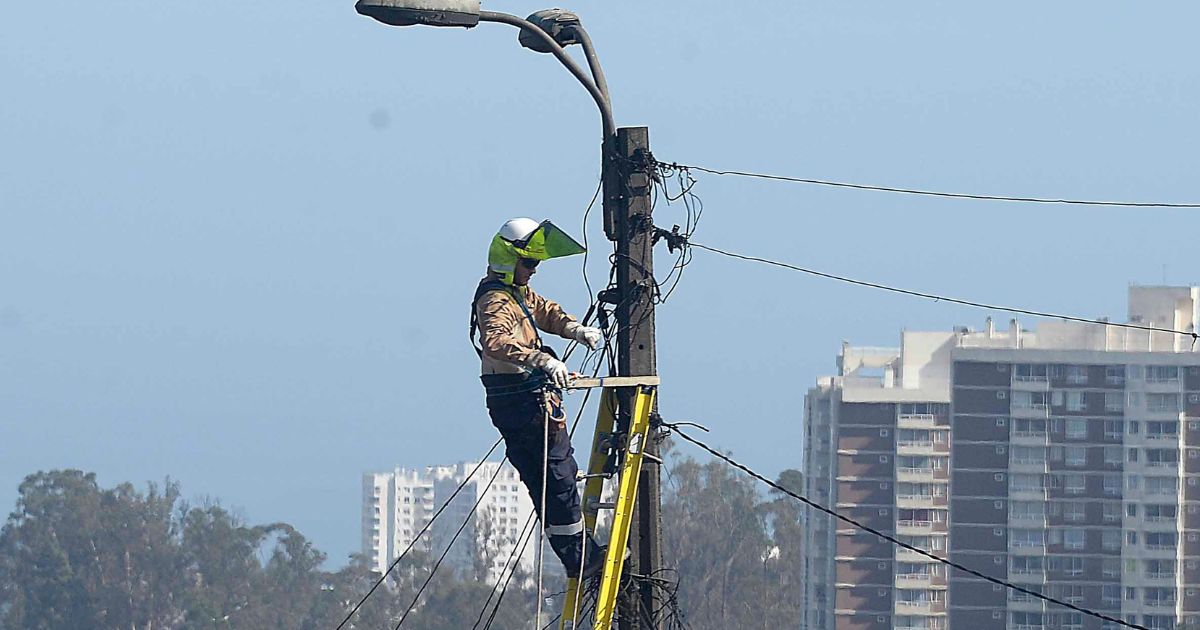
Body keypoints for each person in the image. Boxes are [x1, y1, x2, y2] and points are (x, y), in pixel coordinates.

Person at [470, 217, 607, 579]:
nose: (533, 270)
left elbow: (544, 310)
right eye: (529, 263)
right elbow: (496, 342)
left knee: (554, 476)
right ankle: (581, 558)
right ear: (508, 259)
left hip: (528, 399)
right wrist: (541, 359)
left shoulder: (516, 292)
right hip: (521, 402)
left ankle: (583, 554)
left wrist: (573, 329)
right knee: (556, 477)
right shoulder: (495, 298)